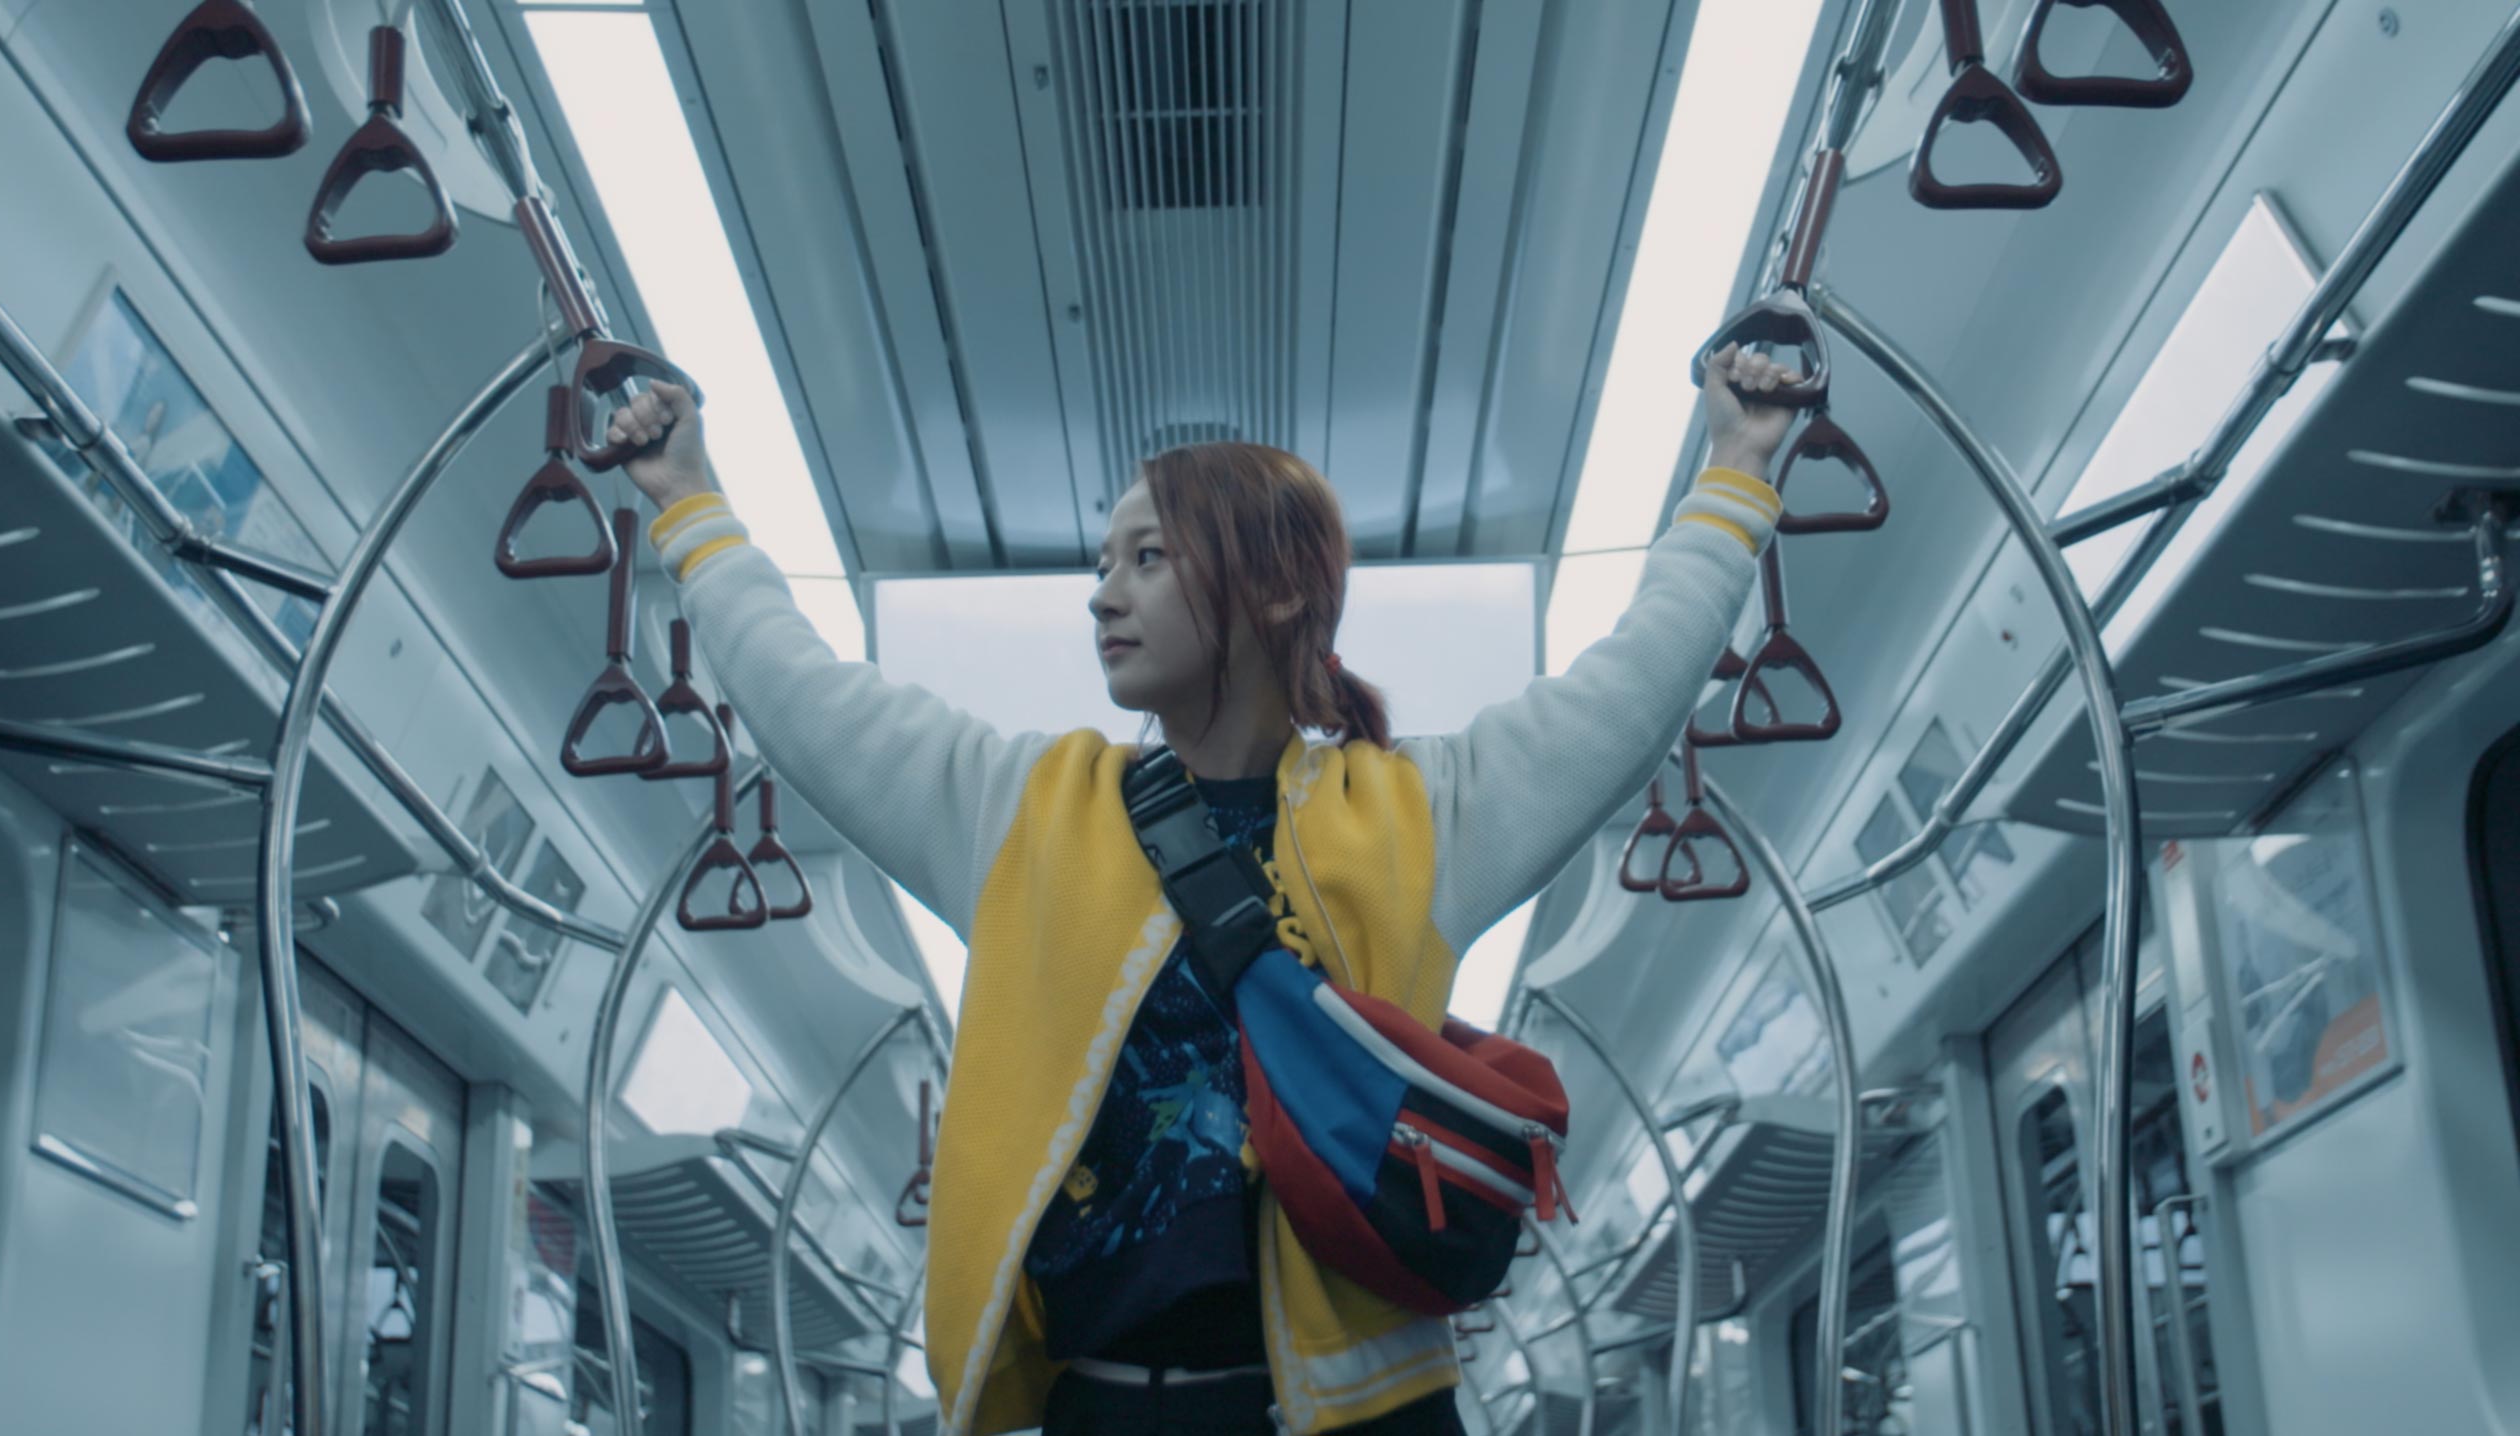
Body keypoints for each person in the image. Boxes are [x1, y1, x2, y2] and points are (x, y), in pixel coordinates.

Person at [607, 345, 1800, 1434]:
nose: (1100, 592)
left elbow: (1629, 689)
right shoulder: (1027, 811)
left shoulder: (1415, 815)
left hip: (1359, 1411)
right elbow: (813, 701)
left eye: (1147, 556)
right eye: (1100, 562)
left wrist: (1736, 466)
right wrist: (688, 501)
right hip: (1102, 1407)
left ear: (1277, 587)